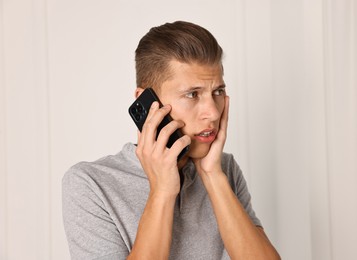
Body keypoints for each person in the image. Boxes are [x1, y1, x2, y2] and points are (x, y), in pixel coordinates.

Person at [62, 21, 280, 260]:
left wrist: (212, 176)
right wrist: (162, 190)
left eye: (217, 92)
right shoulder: (91, 183)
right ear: (147, 101)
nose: (213, 112)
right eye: (192, 94)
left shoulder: (224, 169)